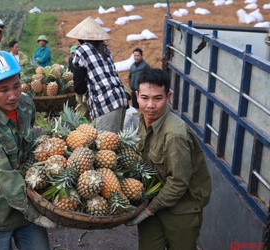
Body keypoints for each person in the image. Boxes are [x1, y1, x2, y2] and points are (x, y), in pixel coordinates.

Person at [0, 50, 58, 249]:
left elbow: (29, 143)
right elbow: (5, 176)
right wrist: (36, 214)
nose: (13, 95)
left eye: (17, 86)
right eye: (3, 89)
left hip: (26, 197)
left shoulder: (25, 103)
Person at [125, 68, 211, 250]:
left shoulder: (174, 135)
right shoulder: (142, 119)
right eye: (145, 98)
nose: (150, 105)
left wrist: (148, 210)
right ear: (137, 96)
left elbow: (178, 182)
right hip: (154, 202)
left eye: (158, 98)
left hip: (181, 209)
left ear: (168, 97)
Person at [66, 16, 129, 133]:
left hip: (105, 102)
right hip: (120, 98)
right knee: (117, 143)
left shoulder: (81, 50)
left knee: (105, 148)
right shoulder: (105, 50)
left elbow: (79, 84)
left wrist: (80, 98)